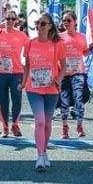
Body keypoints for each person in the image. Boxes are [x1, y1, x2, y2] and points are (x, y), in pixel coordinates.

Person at [23, 13, 65, 172]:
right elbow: (27, 65)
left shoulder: (57, 44)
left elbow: (64, 65)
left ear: (49, 26)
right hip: (33, 88)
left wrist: (59, 78)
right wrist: (23, 81)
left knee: (47, 123)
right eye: (37, 23)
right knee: (39, 121)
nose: (39, 26)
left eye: (42, 23)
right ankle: (40, 156)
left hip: (51, 88)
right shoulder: (29, 43)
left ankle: (44, 151)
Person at [58, 10, 93, 139]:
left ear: (75, 22)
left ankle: (79, 125)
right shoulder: (59, 37)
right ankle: (64, 126)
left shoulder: (82, 37)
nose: (66, 23)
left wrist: (91, 48)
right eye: (64, 20)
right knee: (64, 101)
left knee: (79, 99)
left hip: (78, 72)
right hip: (64, 73)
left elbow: (84, 52)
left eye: (69, 20)